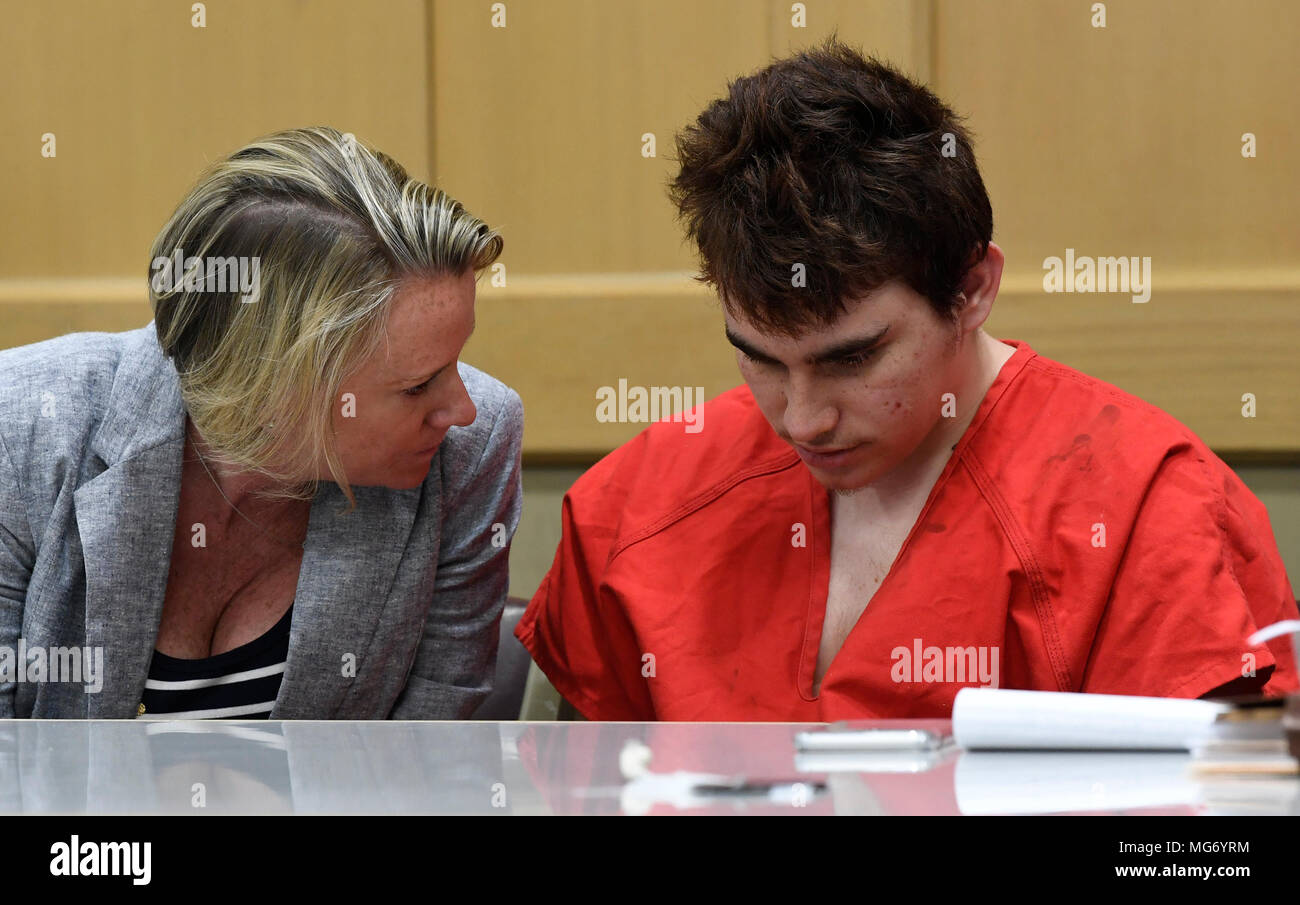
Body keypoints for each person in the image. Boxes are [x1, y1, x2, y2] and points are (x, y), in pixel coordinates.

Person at [516, 41, 1300, 721]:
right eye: (761, 358)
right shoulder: (636, 510)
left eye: (851, 359)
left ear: (971, 289)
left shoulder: (1148, 515)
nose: (802, 420)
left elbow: (1219, 825)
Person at [0, 126, 522, 719]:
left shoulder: (469, 451)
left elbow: (428, 754)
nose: (462, 410)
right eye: (417, 386)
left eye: (455, 361)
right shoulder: (21, 431)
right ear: (270, 384)